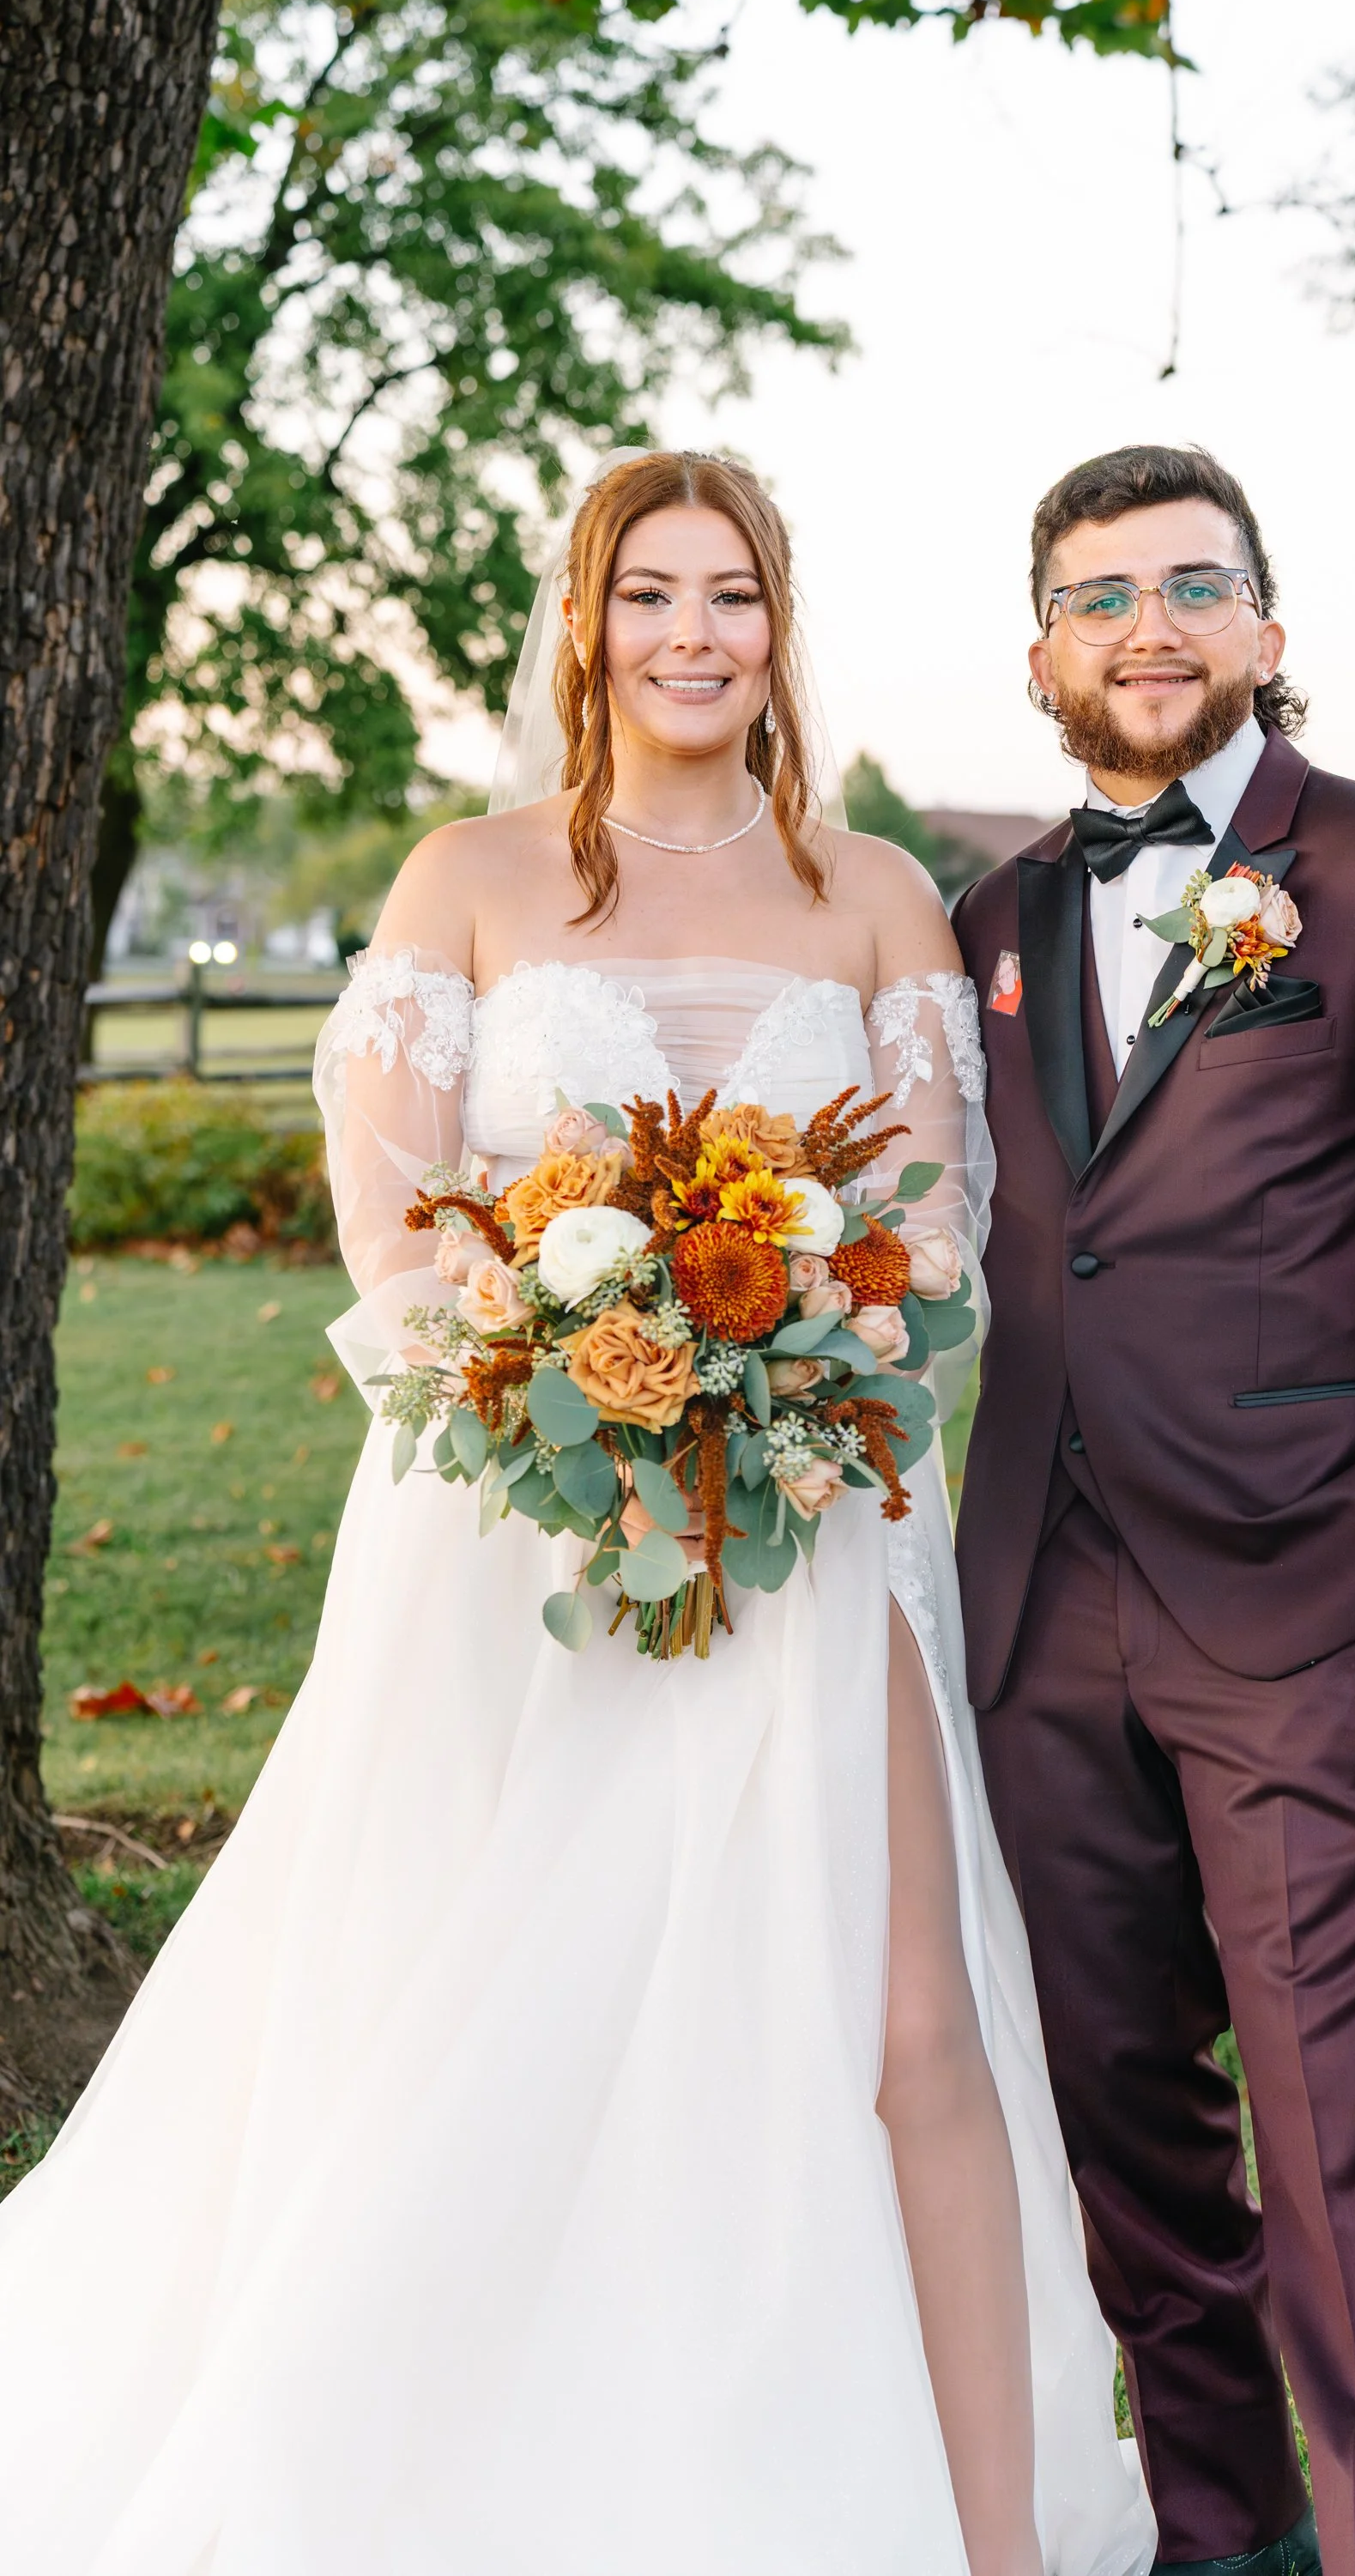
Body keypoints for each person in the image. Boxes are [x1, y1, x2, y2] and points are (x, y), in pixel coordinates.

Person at [0, 451, 1154, 2576]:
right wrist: (578, 1369)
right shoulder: (470, 877)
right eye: (652, 595)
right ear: (586, 623)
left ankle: (990, 2539)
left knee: (901, 2024)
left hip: (814, 1524)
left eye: (733, 595)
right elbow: (391, 1236)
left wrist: (772, 1369)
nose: (693, 634)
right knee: (471, 1999)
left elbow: (934, 1241)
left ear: (778, 628)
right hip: (508, 1538)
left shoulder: (878, 893)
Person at [953, 444, 1355, 2576]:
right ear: (1042, 651)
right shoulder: (994, 919)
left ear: (1266, 631)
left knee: (1345, 2138)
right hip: (1035, 1612)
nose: (1147, 626)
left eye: (1190, 587)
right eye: (1100, 595)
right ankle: (1220, 2534)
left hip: (1302, 1599)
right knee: (1120, 2114)